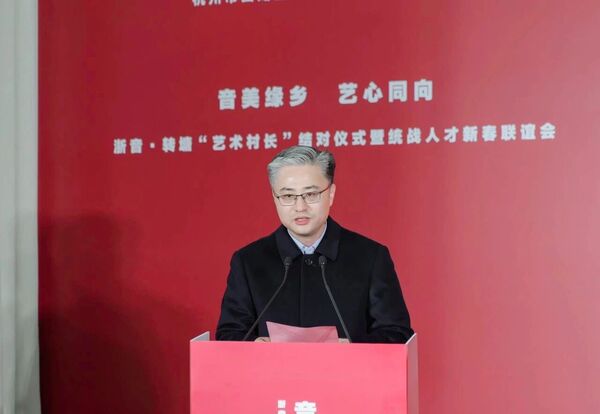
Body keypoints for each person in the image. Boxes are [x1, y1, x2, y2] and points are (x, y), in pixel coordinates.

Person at [216, 145, 413, 343]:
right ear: (275, 198)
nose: (300, 207)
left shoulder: (370, 257)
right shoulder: (248, 261)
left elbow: (396, 334)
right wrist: (254, 346)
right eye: (288, 196)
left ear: (331, 194)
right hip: (270, 365)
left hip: (347, 365)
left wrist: (353, 347)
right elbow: (229, 334)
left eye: (310, 194)